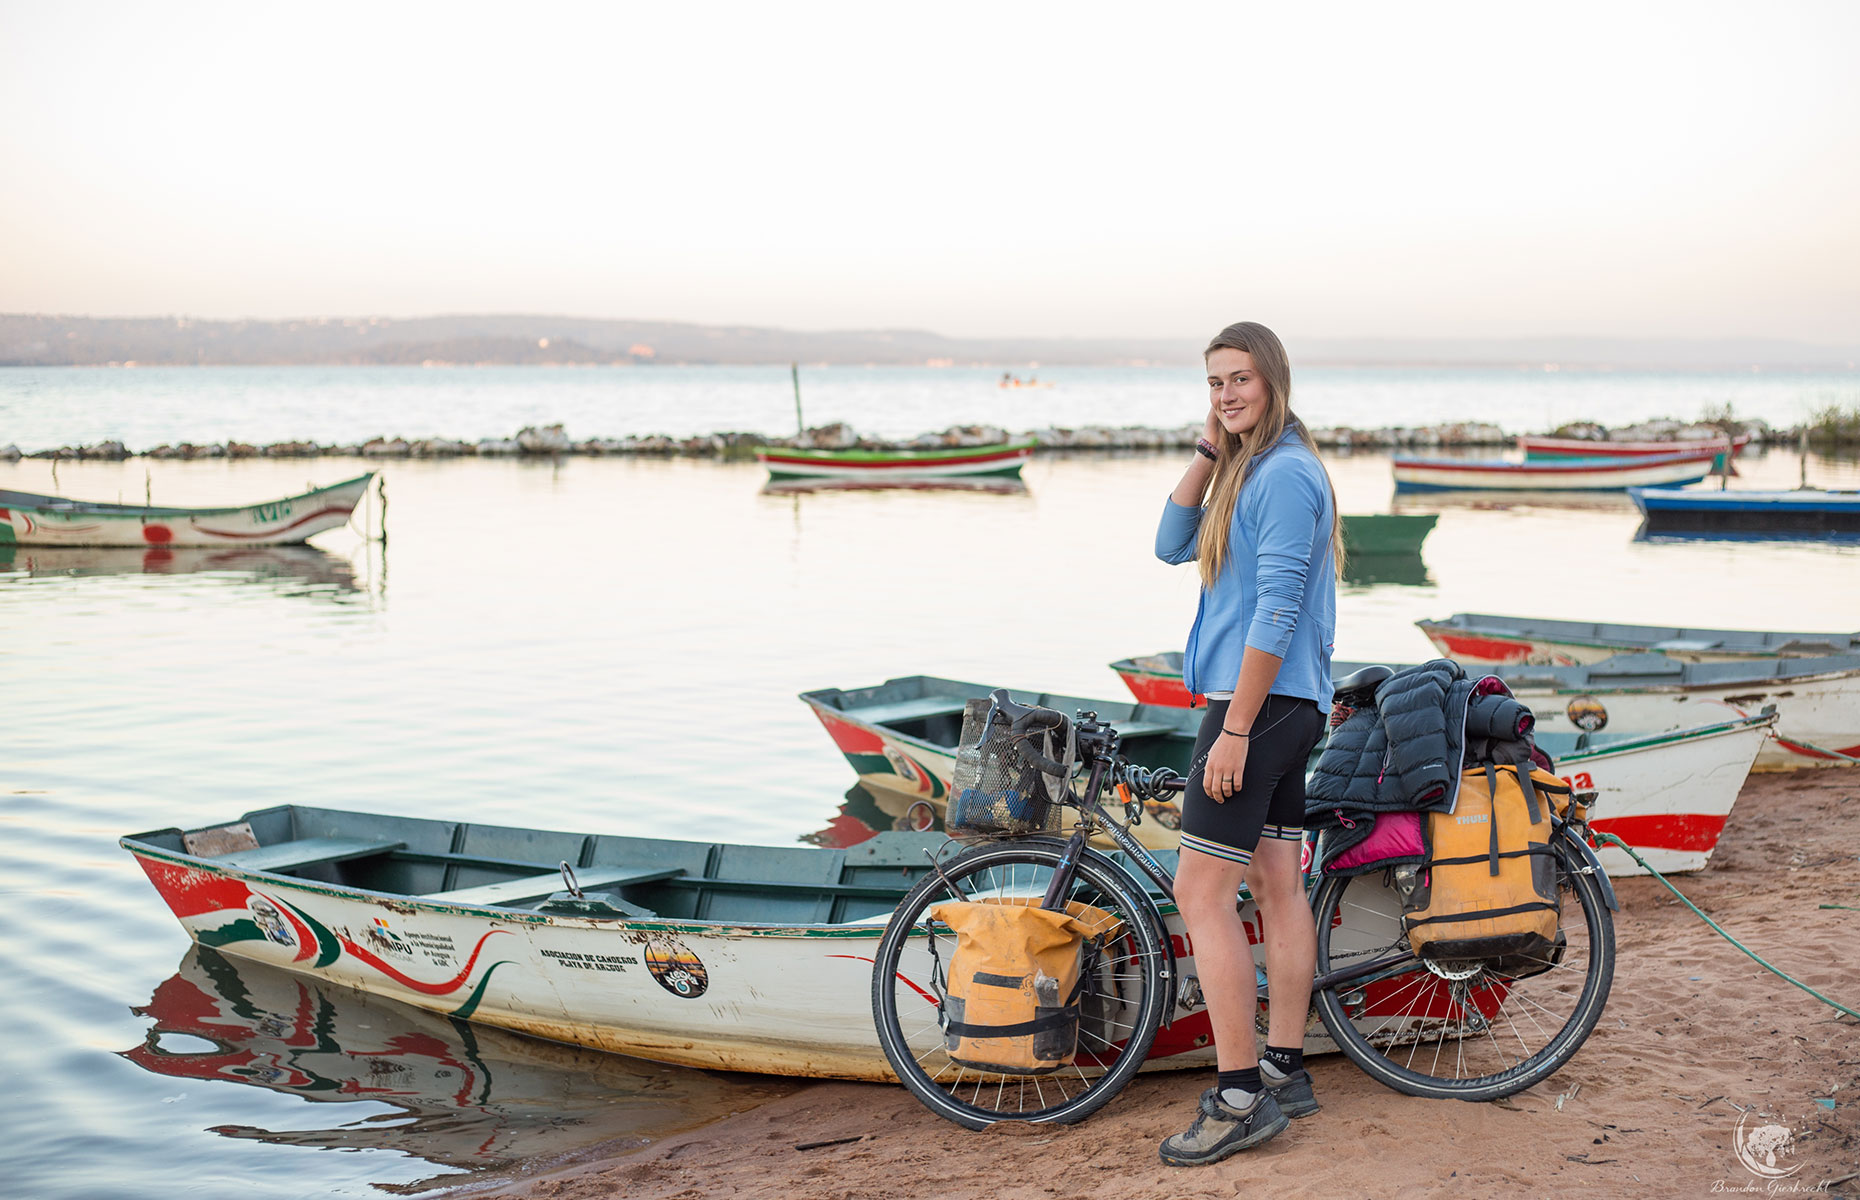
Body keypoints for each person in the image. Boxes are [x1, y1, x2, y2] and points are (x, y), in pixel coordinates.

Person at [1152, 321, 1343, 1167]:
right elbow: (1169, 544)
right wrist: (1209, 447)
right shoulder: (1250, 469)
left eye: (1241, 381)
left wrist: (1233, 728)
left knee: (1200, 893)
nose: (1228, 395)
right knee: (1274, 883)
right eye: (1215, 383)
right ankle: (1286, 1070)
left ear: (1274, 381)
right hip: (1284, 705)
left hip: (1257, 706)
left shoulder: (1287, 477)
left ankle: (1238, 1097)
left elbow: (1276, 609)